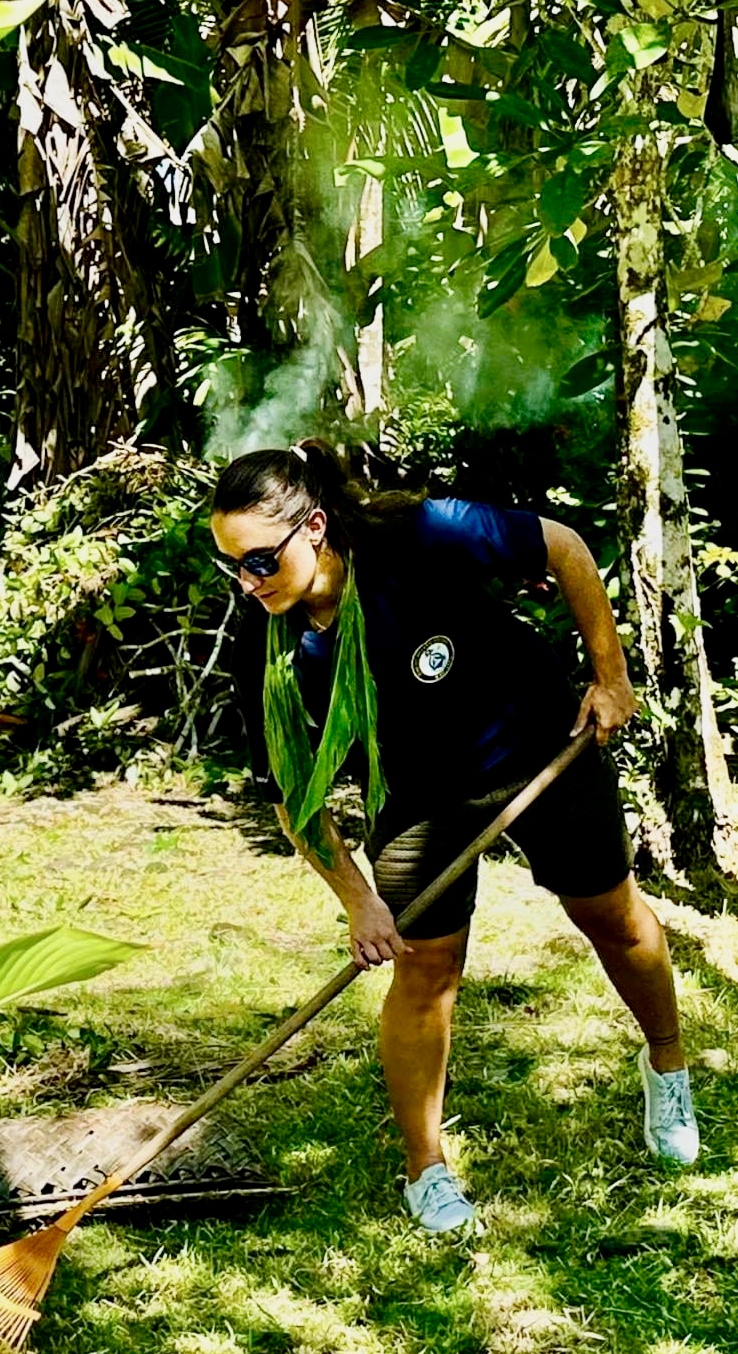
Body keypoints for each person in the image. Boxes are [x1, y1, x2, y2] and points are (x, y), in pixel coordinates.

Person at [210, 441, 700, 1233]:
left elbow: (562, 545)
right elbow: (291, 796)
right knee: (424, 966)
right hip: (416, 795)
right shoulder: (266, 646)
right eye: (232, 565)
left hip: (542, 746)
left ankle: (667, 1065)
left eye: (261, 559)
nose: (248, 581)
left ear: (316, 528)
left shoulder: (418, 535)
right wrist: (358, 901)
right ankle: (425, 1168)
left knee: (609, 915)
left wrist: (609, 677)